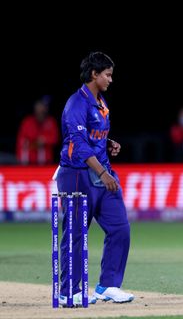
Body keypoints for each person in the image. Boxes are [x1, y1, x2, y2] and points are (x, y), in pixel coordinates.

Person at [54, 52, 134, 306]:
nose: (111, 79)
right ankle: (68, 291)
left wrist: (107, 143)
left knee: (120, 228)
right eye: (108, 75)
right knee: (76, 234)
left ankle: (108, 285)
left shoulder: (101, 102)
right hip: (77, 174)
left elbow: (92, 136)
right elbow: (77, 144)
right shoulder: (76, 103)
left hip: (101, 173)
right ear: (94, 74)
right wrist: (102, 171)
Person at [16, 97, 59, 165]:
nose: (40, 110)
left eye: (43, 108)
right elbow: (20, 141)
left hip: (46, 162)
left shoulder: (51, 122)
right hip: (27, 161)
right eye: (38, 107)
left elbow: (55, 139)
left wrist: (44, 140)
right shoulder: (27, 121)